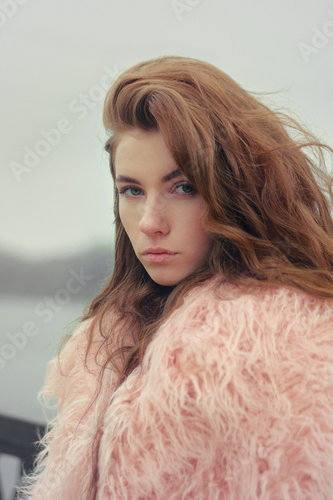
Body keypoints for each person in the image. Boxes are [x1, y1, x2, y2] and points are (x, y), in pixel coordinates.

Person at [17, 55, 333, 500]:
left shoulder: (286, 350)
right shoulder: (109, 340)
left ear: (236, 191)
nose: (150, 222)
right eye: (132, 190)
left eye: (183, 187)